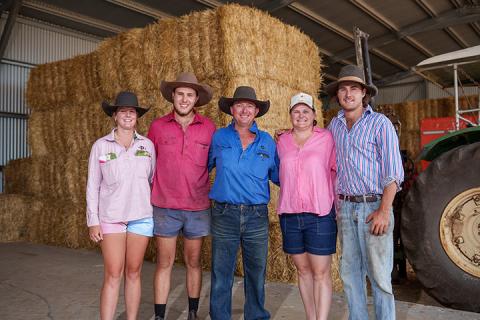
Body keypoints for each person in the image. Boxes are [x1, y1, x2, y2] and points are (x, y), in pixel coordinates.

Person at [326, 65, 404, 320]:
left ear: (364, 94)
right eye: (343, 89)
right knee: (350, 274)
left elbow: (393, 172)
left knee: (380, 276)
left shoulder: (380, 124)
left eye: (354, 89)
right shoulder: (333, 126)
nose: (348, 94)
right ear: (338, 95)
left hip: (374, 207)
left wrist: (384, 210)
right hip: (346, 208)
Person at [147, 72, 215, 320]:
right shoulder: (157, 126)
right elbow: (149, 163)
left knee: (193, 262)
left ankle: (193, 313)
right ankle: (160, 316)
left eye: (189, 94)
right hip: (165, 206)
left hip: (197, 206)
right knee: (164, 262)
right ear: (172, 96)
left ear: (196, 98)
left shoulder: (209, 128)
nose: (184, 99)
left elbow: (213, 163)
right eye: (180, 94)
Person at [208, 86, 279, 320]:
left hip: (256, 216)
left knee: (256, 272)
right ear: (232, 109)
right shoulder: (219, 137)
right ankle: (220, 316)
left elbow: (280, 176)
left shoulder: (268, 142)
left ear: (257, 110)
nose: (245, 109)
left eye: (250, 106)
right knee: (221, 272)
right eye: (240, 105)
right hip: (224, 213)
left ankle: (256, 315)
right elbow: (202, 168)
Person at [86, 91, 155, 320]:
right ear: (115, 115)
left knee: (134, 272)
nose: (127, 115)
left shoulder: (147, 145)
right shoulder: (101, 146)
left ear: (137, 116)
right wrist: (93, 221)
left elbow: (152, 180)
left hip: (141, 217)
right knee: (113, 273)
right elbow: (92, 185)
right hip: (111, 217)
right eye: (123, 111)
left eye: (132, 111)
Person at [276, 92, 337, 320]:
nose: (300, 115)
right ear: (290, 115)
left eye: (305, 111)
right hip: (290, 215)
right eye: (296, 111)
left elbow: (336, 171)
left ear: (314, 115)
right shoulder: (281, 141)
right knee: (302, 271)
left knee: (321, 273)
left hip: (320, 214)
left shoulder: (327, 139)